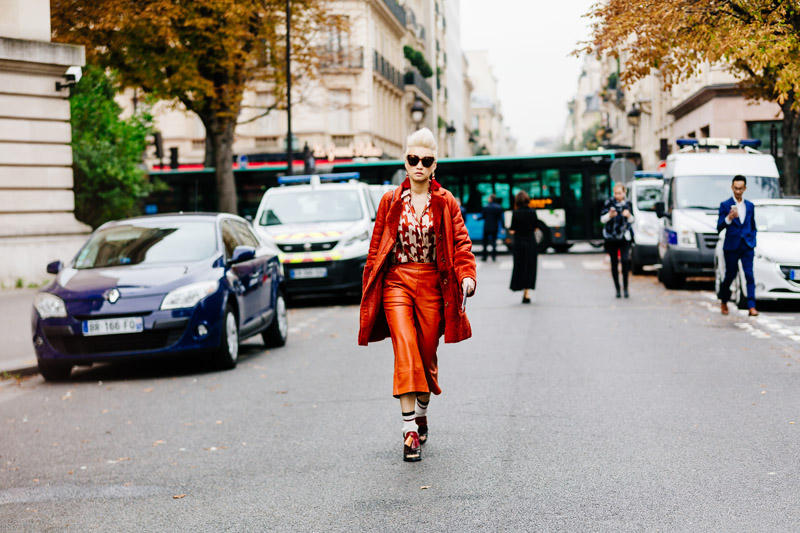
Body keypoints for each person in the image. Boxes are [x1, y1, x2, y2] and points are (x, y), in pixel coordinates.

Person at [358, 127, 477, 463]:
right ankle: (409, 431)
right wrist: (370, 286)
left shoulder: (446, 201)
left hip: (432, 285)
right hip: (396, 282)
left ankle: (421, 412)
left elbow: (462, 245)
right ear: (405, 162)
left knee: (425, 356)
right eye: (413, 159)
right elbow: (376, 247)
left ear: (435, 164)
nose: (419, 165)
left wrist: (467, 278)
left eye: (426, 160)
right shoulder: (390, 201)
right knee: (406, 350)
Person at [717, 175, 758, 316]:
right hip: (731, 246)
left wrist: (753, 240)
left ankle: (751, 306)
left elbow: (753, 226)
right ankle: (724, 300)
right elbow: (719, 227)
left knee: (749, 275)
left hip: (747, 246)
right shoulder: (725, 205)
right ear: (732, 188)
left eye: (741, 189)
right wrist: (728, 218)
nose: (738, 191)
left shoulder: (750, 206)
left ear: (745, 188)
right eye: (736, 188)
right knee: (730, 275)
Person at [600, 183, 634, 298]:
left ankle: (626, 288)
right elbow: (602, 219)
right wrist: (609, 215)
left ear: (624, 193)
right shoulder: (609, 203)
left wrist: (628, 215)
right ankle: (617, 289)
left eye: (619, 193)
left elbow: (633, 220)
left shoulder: (628, 204)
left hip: (624, 237)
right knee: (614, 263)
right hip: (611, 238)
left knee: (625, 261)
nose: (617, 195)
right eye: (615, 193)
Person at [508, 190, 539, 303]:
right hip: (531, 242)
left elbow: (512, 230)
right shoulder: (532, 212)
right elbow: (536, 228)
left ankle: (521, 288)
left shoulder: (515, 213)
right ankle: (527, 291)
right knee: (530, 266)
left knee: (520, 266)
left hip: (519, 243)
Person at [478, 194, 504, 262]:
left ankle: (484, 257)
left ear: (491, 199)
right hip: (495, 227)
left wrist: (477, 218)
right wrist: (503, 228)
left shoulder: (486, 207)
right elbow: (501, 219)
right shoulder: (498, 207)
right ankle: (494, 257)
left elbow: (483, 216)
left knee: (485, 243)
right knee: (494, 242)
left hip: (486, 227)